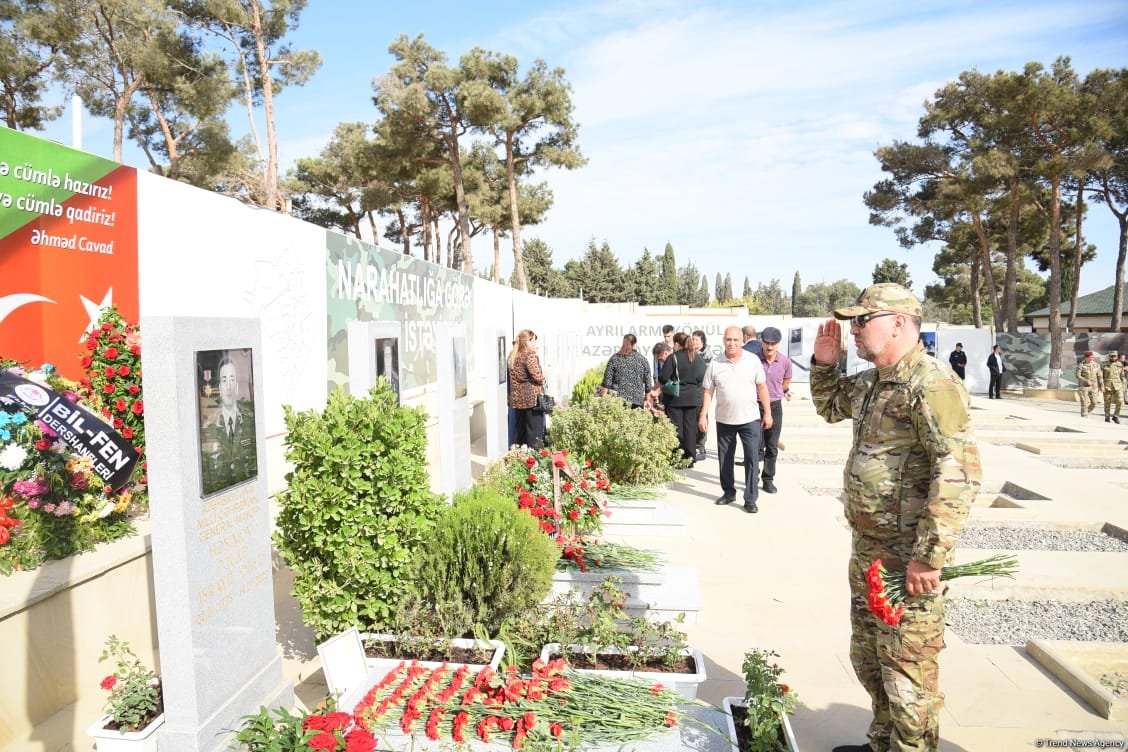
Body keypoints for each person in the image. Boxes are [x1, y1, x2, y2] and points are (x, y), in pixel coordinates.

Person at [810, 283, 981, 752]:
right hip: (868, 549)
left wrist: (929, 556)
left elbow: (958, 471)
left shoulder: (932, 384)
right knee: (869, 658)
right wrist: (825, 365)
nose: (855, 331)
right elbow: (829, 407)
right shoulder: (872, 382)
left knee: (908, 672)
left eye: (863, 321)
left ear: (899, 323)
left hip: (908, 558)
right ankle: (880, 742)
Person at [698, 326, 772, 513]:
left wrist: (768, 413)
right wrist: (703, 415)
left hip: (750, 420)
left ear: (742, 341)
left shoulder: (752, 361)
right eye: (728, 339)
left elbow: (762, 388)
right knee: (725, 459)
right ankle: (729, 492)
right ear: (723, 341)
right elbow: (708, 391)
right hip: (724, 420)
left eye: (735, 340)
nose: (731, 343)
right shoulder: (715, 363)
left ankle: (751, 498)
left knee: (751, 459)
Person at [200, 353, 258, 496]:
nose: (228, 386)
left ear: (237, 387)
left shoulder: (249, 420)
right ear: (219, 387)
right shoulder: (209, 426)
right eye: (224, 380)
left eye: (232, 379)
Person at [659, 331, 707, 466]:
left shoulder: (673, 358)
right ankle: (690, 458)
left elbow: (663, 378)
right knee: (691, 428)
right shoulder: (696, 357)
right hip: (692, 398)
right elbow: (702, 376)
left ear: (676, 343)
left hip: (675, 398)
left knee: (676, 428)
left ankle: (678, 457)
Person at [756, 327, 792, 494]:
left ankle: (768, 479)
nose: (769, 347)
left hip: (775, 405)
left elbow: (786, 380)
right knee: (754, 444)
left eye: (773, 344)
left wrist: (780, 391)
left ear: (778, 344)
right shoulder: (754, 359)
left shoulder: (785, 361)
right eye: (767, 343)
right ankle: (752, 475)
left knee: (772, 445)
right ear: (762, 342)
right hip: (754, 405)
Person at [508, 329, 547, 447]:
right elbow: (538, 377)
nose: (535, 344)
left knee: (521, 431)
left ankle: (520, 457)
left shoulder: (513, 356)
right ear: (527, 342)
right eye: (533, 341)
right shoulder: (530, 356)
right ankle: (533, 460)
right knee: (534, 433)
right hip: (532, 400)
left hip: (518, 400)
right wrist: (544, 379)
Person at [601, 333, 652, 408]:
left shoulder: (615, 358)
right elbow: (648, 382)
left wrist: (603, 397)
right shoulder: (642, 360)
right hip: (636, 400)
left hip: (617, 400)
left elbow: (607, 380)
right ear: (635, 343)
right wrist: (647, 399)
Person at [692, 330, 713, 461]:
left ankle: (701, 445)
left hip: (703, 389)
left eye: (697, 340)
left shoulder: (707, 355)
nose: (694, 342)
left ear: (702, 341)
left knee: (702, 416)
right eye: (693, 339)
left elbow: (706, 374)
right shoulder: (689, 353)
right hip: (691, 389)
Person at [645, 342, 672, 416]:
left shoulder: (673, 360)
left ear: (665, 353)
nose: (661, 362)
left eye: (660, 359)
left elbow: (665, 380)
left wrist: (656, 392)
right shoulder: (671, 360)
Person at [1075, 351, 1103, 418]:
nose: (1092, 359)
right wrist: (1086, 380)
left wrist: (1102, 386)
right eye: (1090, 357)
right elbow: (1078, 376)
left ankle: (1086, 413)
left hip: (1094, 387)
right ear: (1086, 358)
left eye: (1092, 357)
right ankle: (1084, 416)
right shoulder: (1081, 365)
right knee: (1084, 403)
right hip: (1084, 387)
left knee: (1094, 403)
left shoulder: (1096, 365)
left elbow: (1100, 376)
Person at [1102, 350, 1124, 424]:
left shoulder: (1120, 364)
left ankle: (1116, 416)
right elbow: (1100, 377)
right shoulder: (1104, 364)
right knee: (1107, 403)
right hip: (1107, 386)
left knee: (1120, 401)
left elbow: (1122, 376)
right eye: (1111, 356)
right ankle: (1107, 417)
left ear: (1117, 356)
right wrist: (1101, 386)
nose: (1113, 357)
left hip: (1118, 386)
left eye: (1114, 356)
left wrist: (1122, 385)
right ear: (1109, 356)